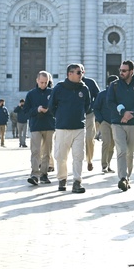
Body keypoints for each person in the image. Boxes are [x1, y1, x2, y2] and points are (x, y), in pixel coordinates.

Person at [49, 63, 93, 194]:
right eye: (79, 72)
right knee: (61, 156)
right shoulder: (59, 88)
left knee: (78, 156)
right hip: (62, 128)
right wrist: (61, 117)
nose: (81, 75)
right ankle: (62, 179)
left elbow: (87, 106)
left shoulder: (84, 89)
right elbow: (51, 107)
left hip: (79, 127)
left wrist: (78, 116)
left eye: (82, 73)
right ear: (70, 74)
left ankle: (77, 182)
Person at [108, 60, 134, 192]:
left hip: (133, 123)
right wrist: (123, 112)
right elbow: (110, 102)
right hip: (117, 123)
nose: (121, 73)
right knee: (122, 150)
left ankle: (127, 177)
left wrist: (132, 114)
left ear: (131, 71)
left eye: (124, 71)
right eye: (120, 70)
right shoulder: (114, 85)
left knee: (130, 152)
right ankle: (122, 178)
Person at [25, 71, 55, 186]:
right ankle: (34, 174)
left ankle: (44, 174)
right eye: (41, 82)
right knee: (35, 151)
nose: (43, 84)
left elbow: (56, 108)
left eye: (46, 82)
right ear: (37, 81)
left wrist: (49, 110)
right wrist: (37, 110)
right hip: (36, 126)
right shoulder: (31, 94)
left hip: (49, 125)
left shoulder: (52, 93)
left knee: (47, 152)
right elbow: (26, 111)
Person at [92, 75, 119, 173]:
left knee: (112, 144)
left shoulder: (119, 95)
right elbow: (96, 108)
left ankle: (108, 164)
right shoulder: (102, 94)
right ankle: (104, 165)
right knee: (106, 142)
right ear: (109, 84)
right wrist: (101, 120)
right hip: (105, 122)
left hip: (116, 122)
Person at [82, 74, 100, 172]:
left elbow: (98, 96)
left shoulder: (90, 83)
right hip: (75, 115)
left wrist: (92, 106)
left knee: (89, 138)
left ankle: (89, 160)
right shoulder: (68, 84)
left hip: (89, 114)